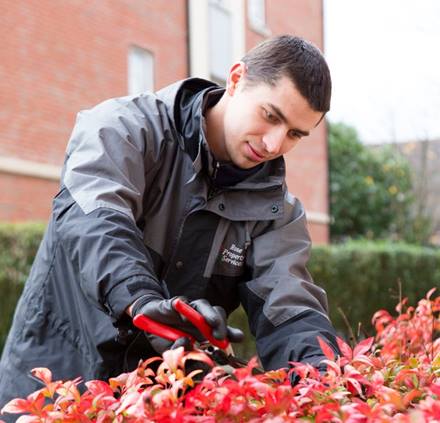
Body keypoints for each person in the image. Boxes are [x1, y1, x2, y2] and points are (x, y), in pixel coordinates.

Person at [0, 35, 338, 410]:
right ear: (237, 78)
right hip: (54, 385)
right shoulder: (121, 129)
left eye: (294, 134)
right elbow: (95, 223)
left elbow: (288, 304)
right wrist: (141, 299)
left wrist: (324, 380)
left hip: (161, 402)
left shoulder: (277, 212)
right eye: (270, 116)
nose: (275, 144)